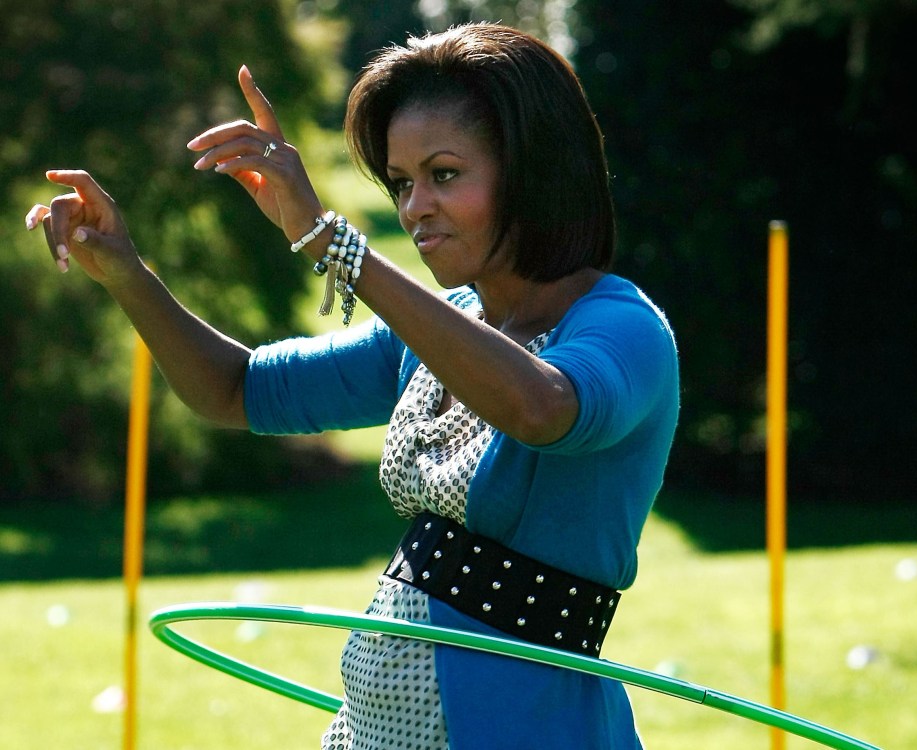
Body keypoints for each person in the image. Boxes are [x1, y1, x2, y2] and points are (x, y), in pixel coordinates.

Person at [27, 22, 679, 750]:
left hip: (521, 726)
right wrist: (127, 273)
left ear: (533, 170)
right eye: (401, 183)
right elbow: (236, 391)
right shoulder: (437, 332)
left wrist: (336, 243)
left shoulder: (624, 329)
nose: (414, 209)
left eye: (445, 175)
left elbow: (539, 406)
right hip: (375, 730)